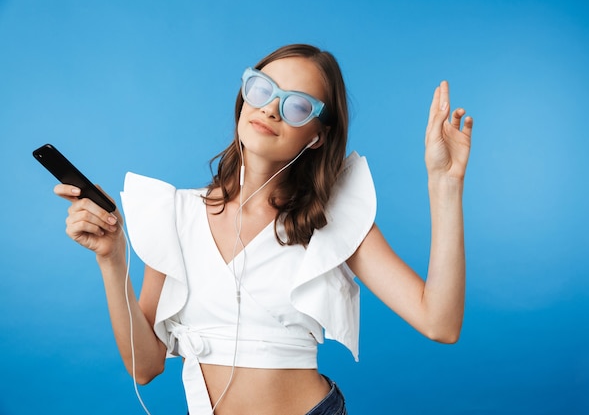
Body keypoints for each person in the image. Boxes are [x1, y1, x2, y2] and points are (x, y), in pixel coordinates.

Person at [54, 43, 473, 415]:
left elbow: (440, 323)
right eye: (262, 88)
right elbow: (145, 367)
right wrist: (112, 258)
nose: (271, 108)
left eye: (297, 106)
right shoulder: (176, 215)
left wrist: (445, 183)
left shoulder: (331, 221)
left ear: (316, 137)